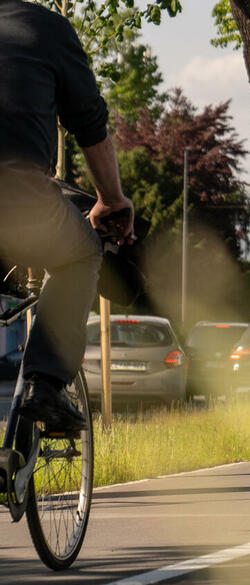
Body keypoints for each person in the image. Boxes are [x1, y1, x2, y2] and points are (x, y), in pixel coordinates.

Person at [0, 0, 134, 431]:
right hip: (19, 202)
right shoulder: (47, 29)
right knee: (81, 255)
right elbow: (91, 125)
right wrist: (111, 199)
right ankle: (47, 386)